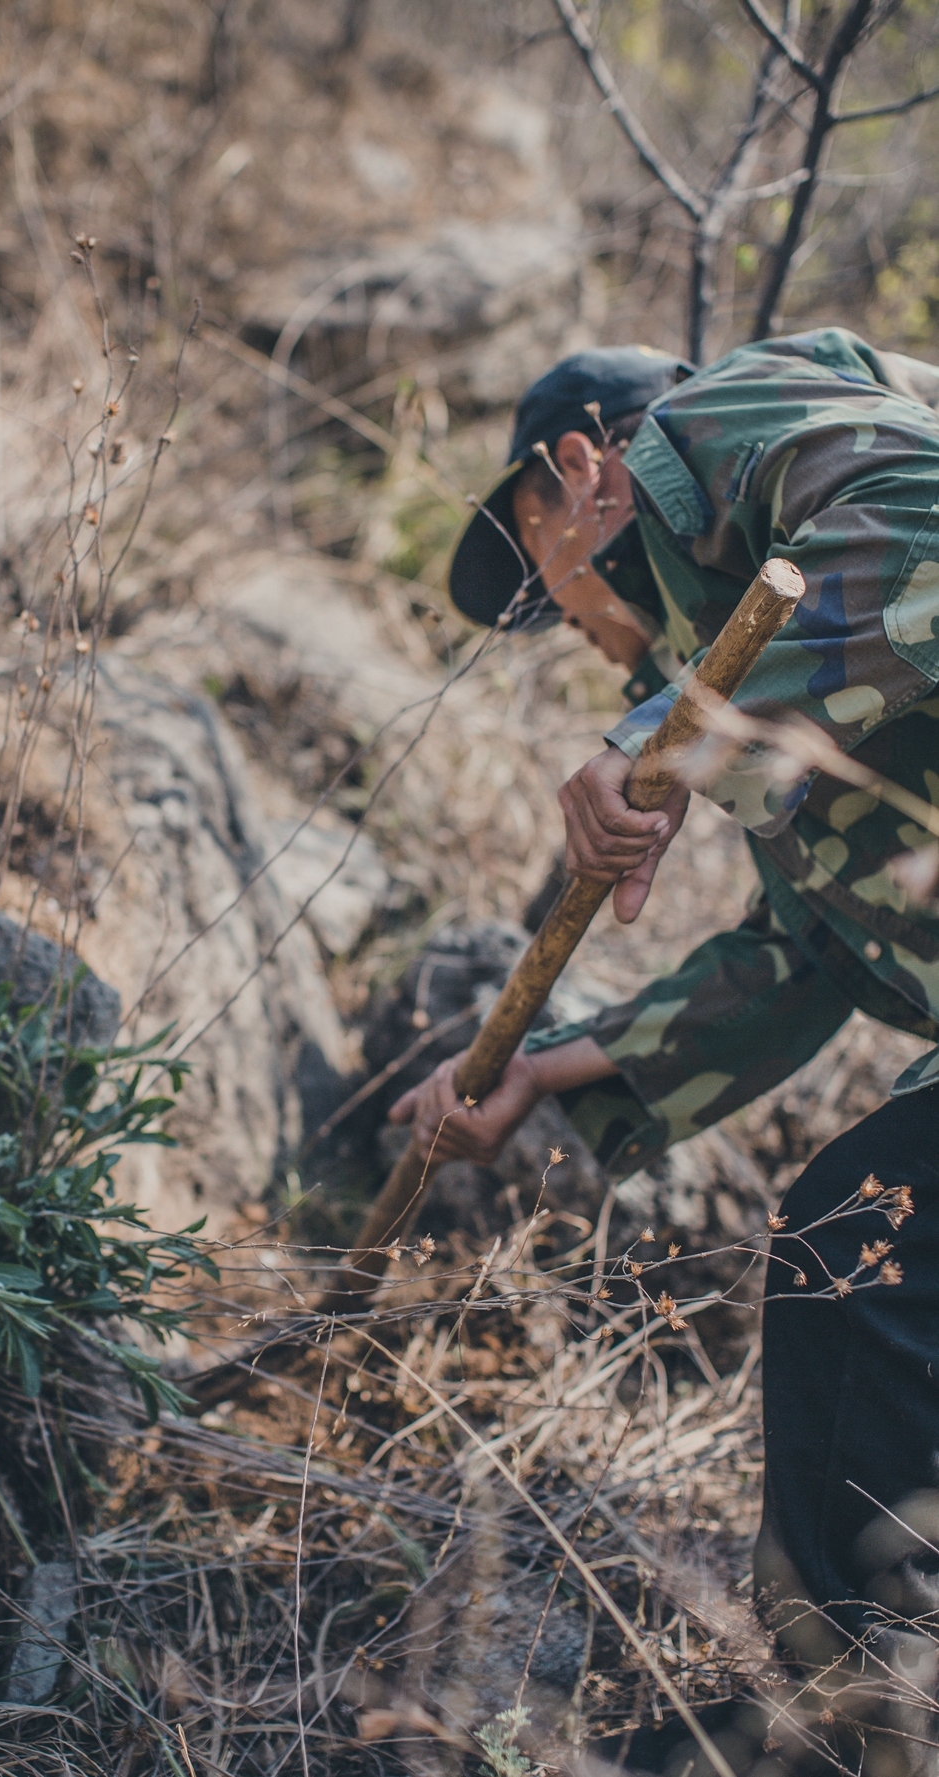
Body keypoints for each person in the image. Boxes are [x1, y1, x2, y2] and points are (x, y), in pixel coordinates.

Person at [387, 332, 939, 1767]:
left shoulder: (719, 421)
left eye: (537, 563)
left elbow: (930, 514)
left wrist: (672, 732)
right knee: (856, 1241)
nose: (560, 616)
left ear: (580, 469)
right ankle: (841, 1696)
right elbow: (806, 953)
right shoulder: (738, 652)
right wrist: (547, 1071)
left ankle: (847, 1722)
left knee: (858, 1240)